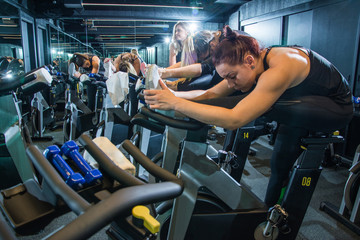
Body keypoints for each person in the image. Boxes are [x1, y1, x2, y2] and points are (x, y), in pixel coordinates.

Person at [144, 30, 354, 207]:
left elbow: (235, 118)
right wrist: (170, 96)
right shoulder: (247, 64)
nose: (231, 84)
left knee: (251, 104)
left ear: (249, 61)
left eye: (232, 77)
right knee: (279, 165)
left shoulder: (280, 67)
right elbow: (210, 95)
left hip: (337, 107)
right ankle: (270, 219)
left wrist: (177, 104)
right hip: (301, 101)